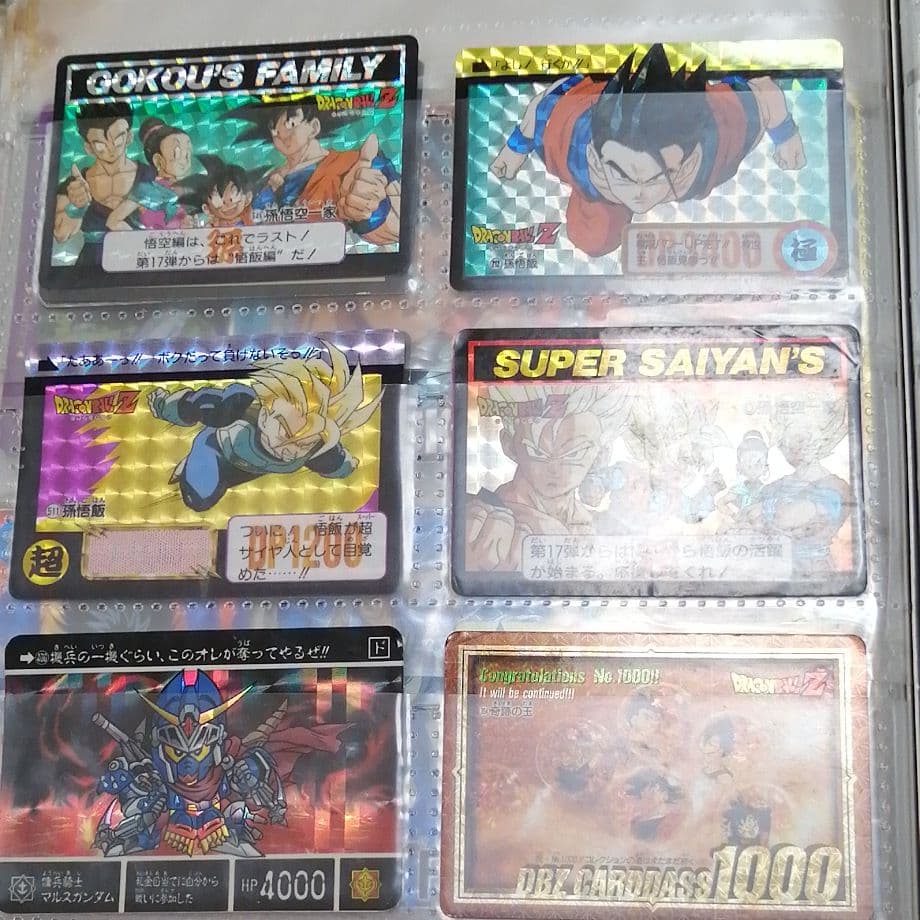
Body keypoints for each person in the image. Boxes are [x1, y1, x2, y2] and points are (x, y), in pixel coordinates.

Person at [489, 44, 806, 257]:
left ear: (690, 163)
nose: (640, 195)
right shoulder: (569, 144)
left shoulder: (721, 135)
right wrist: (515, 149)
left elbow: (765, 93)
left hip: (689, 108)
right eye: (625, 177)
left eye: (656, 178)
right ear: (595, 161)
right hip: (597, 106)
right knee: (592, 237)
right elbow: (544, 104)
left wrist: (786, 134)